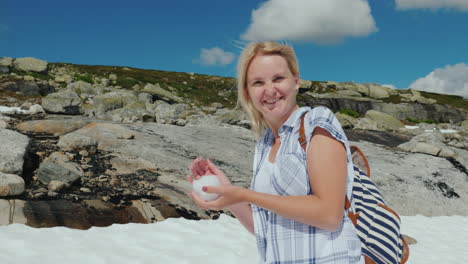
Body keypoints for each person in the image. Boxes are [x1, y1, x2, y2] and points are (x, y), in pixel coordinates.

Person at [187, 41, 363, 263]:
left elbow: (329, 214)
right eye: (258, 82)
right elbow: (266, 230)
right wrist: (228, 193)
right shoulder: (265, 144)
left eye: (278, 79)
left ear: (296, 81)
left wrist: (244, 194)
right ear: (247, 92)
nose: (270, 90)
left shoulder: (317, 122)